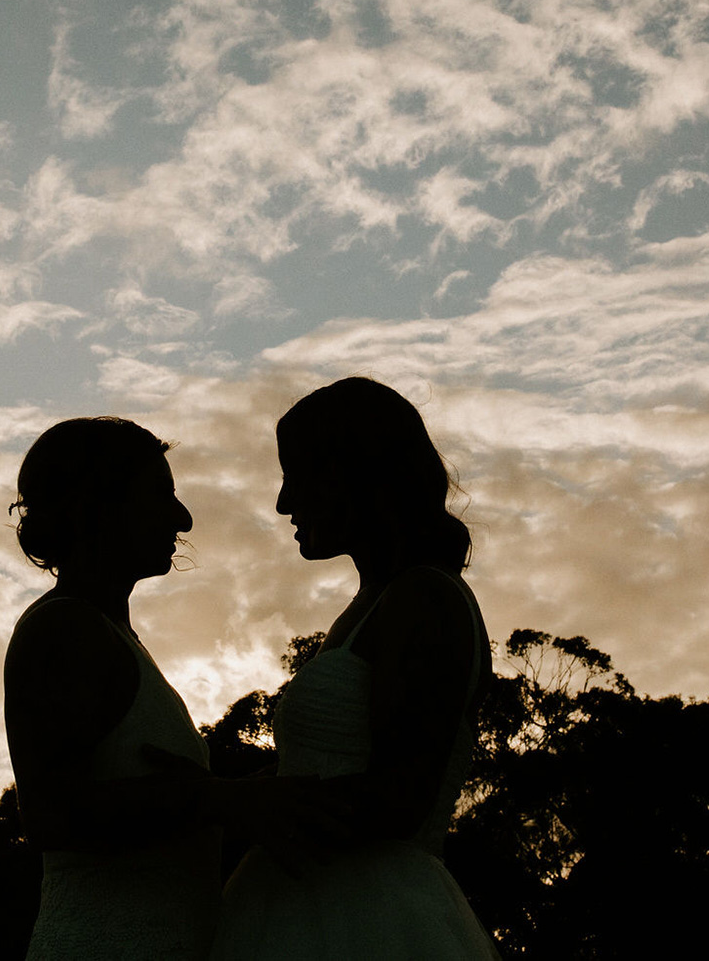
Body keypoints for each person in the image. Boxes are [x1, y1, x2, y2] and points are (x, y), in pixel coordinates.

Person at [212, 378, 501, 960]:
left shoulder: (426, 598)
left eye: (295, 476)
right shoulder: (378, 602)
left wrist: (234, 807)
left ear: (355, 475)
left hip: (370, 921)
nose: (283, 503)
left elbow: (401, 797)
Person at [3, 416, 221, 959]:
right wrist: (222, 800)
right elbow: (52, 815)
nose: (183, 517)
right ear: (98, 507)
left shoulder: (107, 634)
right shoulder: (65, 630)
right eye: (160, 495)